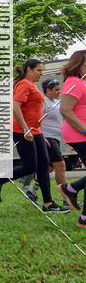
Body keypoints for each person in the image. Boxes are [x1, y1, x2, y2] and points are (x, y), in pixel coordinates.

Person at [0, 58, 66, 212]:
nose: (41, 73)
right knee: (31, 166)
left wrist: (39, 134)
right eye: (39, 70)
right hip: (22, 131)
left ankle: (48, 204)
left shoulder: (32, 85)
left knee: (43, 166)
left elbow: (33, 111)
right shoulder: (23, 84)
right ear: (29, 70)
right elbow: (15, 107)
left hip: (36, 131)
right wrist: (25, 129)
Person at [21, 78, 70, 210]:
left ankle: (31, 192)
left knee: (48, 168)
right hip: (47, 137)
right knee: (61, 166)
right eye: (56, 90)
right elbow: (35, 120)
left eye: (59, 89)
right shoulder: (43, 102)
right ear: (48, 90)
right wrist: (41, 135)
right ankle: (67, 200)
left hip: (56, 138)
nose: (58, 92)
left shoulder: (57, 102)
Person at [59, 51, 86, 225]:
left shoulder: (80, 82)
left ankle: (72, 189)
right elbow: (65, 110)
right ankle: (71, 188)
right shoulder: (74, 83)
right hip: (79, 134)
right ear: (80, 64)